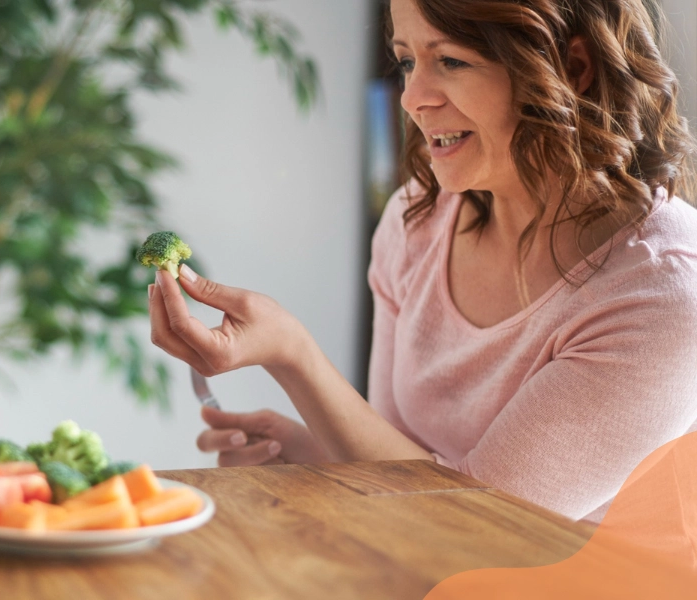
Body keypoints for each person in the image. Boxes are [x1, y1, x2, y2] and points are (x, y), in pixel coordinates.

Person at [149, 0, 697, 523]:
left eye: (451, 61)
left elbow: (485, 529)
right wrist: (306, 454)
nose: (412, 97)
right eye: (408, 60)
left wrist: (293, 357)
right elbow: (403, 470)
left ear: (573, 67)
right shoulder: (418, 218)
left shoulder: (663, 293)